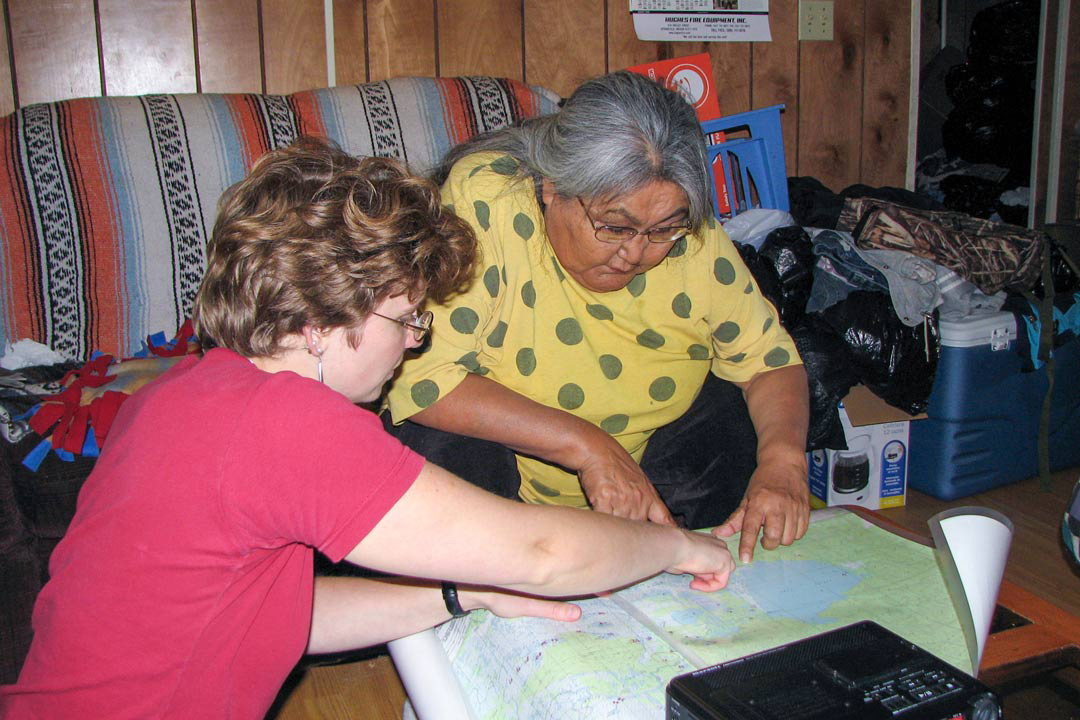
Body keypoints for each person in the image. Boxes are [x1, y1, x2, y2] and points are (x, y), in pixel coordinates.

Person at [0, 137, 735, 719]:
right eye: (407, 317)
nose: (414, 342)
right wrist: (678, 544)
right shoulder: (288, 424)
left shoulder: (187, 392)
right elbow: (543, 549)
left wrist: (459, 595)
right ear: (330, 316)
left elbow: (275, 613)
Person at [383, 70, 811, 563]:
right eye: (614, 226)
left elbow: (769, 359)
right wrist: (587, 445)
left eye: (660, 231)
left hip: (645, 484)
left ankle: (670, 577)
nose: (633, 253)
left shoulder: (685, 232)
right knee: (439, 451)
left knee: (728, 423)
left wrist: (784, 464)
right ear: (551, 188)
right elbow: (421, 377)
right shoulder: (491, 201)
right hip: (505, 490)